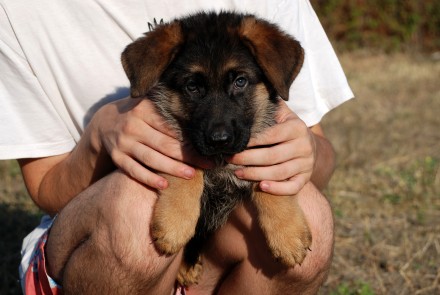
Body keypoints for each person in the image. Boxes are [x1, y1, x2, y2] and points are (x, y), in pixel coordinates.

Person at [0, 0, 353, 294]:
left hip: (216, 251)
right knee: (136, 215)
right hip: (97, 251)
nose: (219, 127)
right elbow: (45, 187)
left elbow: (317, 159)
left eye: (240, 82)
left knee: (311, 217)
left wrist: (302, 153)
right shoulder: (21, 11)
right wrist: (97, 138)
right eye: (193, 88)